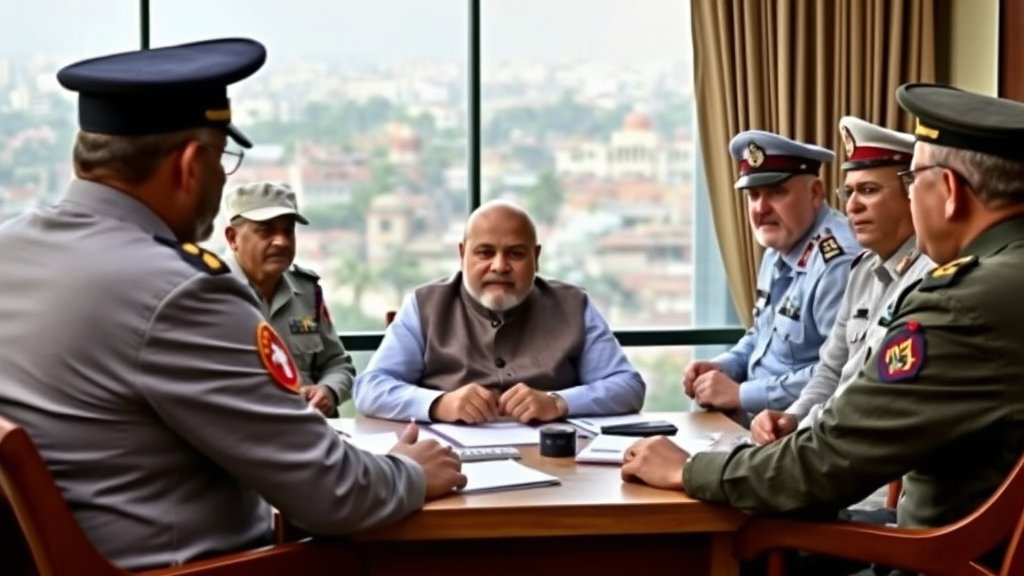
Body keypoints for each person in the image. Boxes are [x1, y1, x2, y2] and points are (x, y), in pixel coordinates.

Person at [0, 39, 465, 571]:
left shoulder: (8, 250)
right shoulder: (181, 292)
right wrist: (410, 470)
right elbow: (334, 492)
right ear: (191, 164)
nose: (224, 178)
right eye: (223, 159)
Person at [622, 84, 1024, 574]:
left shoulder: (960, 302)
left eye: (912, 179)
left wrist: (685, 469)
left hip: (938, 560)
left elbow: (824, 465)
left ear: (951, 191)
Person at [353, 200, 645, 423]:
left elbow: (628, 387)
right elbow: (370, 389)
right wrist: (440, 404)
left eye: (515, 254)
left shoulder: (573, 305)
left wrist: (557, 402)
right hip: (452, 465)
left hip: (556, 465)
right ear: (462, 254)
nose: (500, 266)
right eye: (485, 253)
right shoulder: (423, 305)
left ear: (536, 257)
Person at [750, 117, 933, 461]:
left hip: (865, 476)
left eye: (868, 190)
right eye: (849, 193)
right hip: (825, 449)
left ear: (912, 194)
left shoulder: (930, 275)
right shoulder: (864, 271)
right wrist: (793, 418)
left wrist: (799, 439)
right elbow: (830, 371)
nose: (852, 206)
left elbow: (875, 404)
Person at [684, 131, 860, 418]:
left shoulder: (837, 262)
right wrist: (725, 365)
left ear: (815, 193)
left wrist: (740, 394)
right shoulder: (778, 247)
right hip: (753, 422)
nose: (761, 209)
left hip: (798, 430)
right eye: (753, 195)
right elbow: (762, 335)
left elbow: (843, 371)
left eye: (777, 192)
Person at [223, 181, 355, 416]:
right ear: (233, 238)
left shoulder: (307, 292)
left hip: (311, 435)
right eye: (266, 230)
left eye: (288, 230)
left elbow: (338, 363)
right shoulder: (208, 293)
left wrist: (328, 391)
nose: (282, 241)